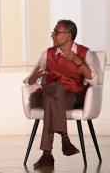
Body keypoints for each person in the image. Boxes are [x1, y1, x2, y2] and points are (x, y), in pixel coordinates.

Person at [24, 19, 98, 169]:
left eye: (56, 32)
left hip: (71, 96)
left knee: (52, 98)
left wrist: (79, 62)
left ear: (68, 36)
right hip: (48, 94)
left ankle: (47, 155)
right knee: (54, 90)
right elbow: (29, 81)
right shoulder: (48, 54)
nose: (52, 35)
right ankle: (64, 139)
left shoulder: (84, 53)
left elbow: (94, 80)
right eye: (53, 32)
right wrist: (35, 75)